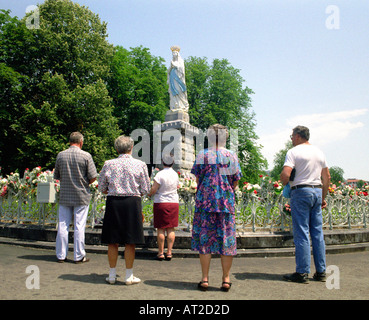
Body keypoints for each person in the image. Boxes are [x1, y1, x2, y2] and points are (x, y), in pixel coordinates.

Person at [191, 124, 242, 292]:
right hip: (225, 203)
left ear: (209, 137)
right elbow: (235, 181)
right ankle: (225, 280)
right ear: (225, 137)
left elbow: (198, 180)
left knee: (205, 240)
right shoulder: (232, 156)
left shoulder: (202, 155)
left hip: (205, 202)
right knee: (226, 240)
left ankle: (204, 279)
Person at [280, 125, 331, 284]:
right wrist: (322, 197)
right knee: (317, 232)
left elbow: (285, 174)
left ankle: (302, 272)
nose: (291, 139)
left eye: (292, 136)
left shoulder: (293, 152)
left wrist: (285, 182)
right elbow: (327, 177)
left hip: (301, 191)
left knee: (301, 232)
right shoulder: (319, 152)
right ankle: (321, 272)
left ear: (297, 136)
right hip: (316, 191)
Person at [98, 135, 150, 285]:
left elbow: (101, 187)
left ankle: (112, 274)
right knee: (130, 241)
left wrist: (112, 190)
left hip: (114, 202)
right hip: (132, 202)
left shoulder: (109, 164)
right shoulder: (140, 164)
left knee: (112, 241)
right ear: (131, 148)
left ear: (116, 148)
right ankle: (128, 276)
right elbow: (145, 188)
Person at [54, 132, 97, 263]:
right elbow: (93, 176)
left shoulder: (61, 155)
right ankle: (78, 255)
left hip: (65, 195)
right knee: (79, 226)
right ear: (81, 142)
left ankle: (61, 255)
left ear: (70, 141)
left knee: (62, 225)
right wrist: (84, 183)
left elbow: (57, 175)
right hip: (81, 195)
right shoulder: (86, 156)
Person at [148, 154, 179, 261]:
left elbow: (154, 189)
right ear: (173, 162)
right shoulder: (175, 174)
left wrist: (149, 194)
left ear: (163, 162)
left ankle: (160, 252)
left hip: (161, 202)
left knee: (160, 228)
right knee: (171, 228)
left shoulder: (159, 174)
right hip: (173, 202)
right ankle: (169, 252)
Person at [167, 45, 189, 112]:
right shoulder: (172, 61)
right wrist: (171, 67)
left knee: (179, 91)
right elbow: (168, 71)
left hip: (178, 79)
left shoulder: (181, 61)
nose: (173, 55)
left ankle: (181, 106)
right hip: (172, 79)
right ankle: (174, 106)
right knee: (173, 92)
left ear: (177, 54)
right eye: (172, 53)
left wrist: (175, 65)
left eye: (175, 53)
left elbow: (182, 69)